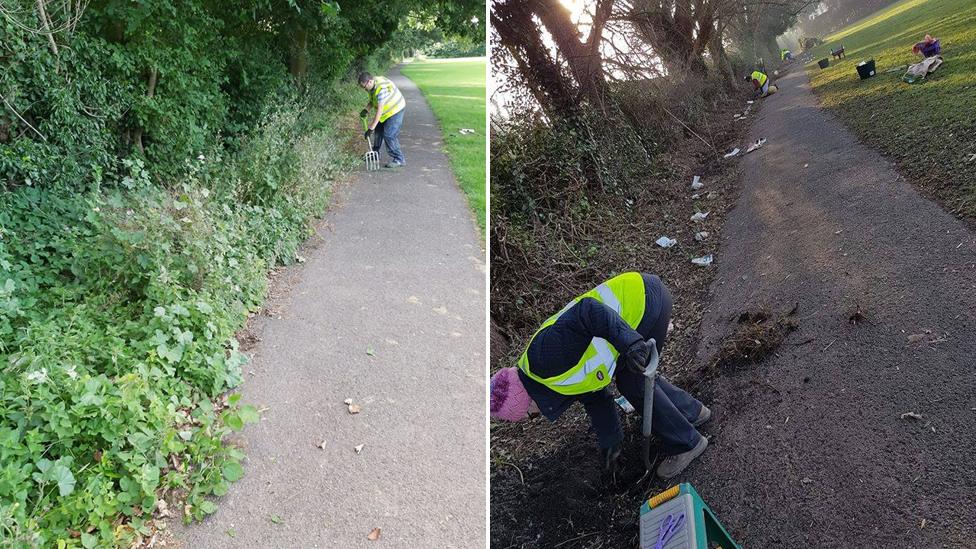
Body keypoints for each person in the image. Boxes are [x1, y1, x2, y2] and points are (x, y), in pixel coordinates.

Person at [489, 272, 710, 479]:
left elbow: (587, 311)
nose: (536, 416)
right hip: (639, 304)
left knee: (633, 383)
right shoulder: (548, 382)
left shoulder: (543, 357)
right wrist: (610, 445)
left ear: (526, 403)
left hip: (642, 301)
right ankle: (693, 411)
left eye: (530, 416)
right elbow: (595, 398)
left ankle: (687, 444)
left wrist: (631, 342)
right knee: (634, 378)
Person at [358, 72, 406, 168]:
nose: (364, 89)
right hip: (386, 111)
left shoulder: (381, 89)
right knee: (378, 131)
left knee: (389, 135)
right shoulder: (372, 86)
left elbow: (379, 110)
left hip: (396, 109)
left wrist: (370, 128)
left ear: (370, 81)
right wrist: (366, 109)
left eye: (364, 87)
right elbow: (373, 100)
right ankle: (375, 154)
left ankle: (399, 159)